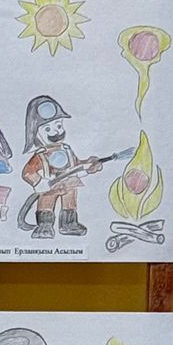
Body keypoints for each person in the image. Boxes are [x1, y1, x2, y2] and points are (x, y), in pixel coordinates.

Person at [21, 95, 102, 239]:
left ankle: (68, 223)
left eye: (58, 126)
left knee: (70, 202)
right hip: (49, 186)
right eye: (47, 129)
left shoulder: (66, 149)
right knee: (47, 202)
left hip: (69, 183)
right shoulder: (40, 156)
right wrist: (38, 181)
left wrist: (89, 166)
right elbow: (28, 172)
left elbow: (76, 165)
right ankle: (45, 226)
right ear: (35, 132)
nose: (56, 132)